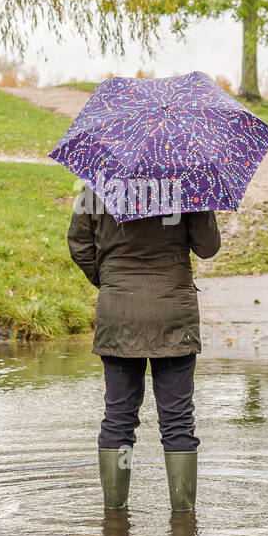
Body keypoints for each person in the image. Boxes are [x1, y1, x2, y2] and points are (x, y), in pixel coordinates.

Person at [67, 189, 221, 513]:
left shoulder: (98, 184)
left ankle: (114, 515)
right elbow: (208, 248)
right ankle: (183, 519)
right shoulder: (185, 185)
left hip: (118, 314)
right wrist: (202, 203)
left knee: (119, 417)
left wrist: (111, 283)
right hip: (173, 314)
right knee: (178, 419)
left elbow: (79, 245)